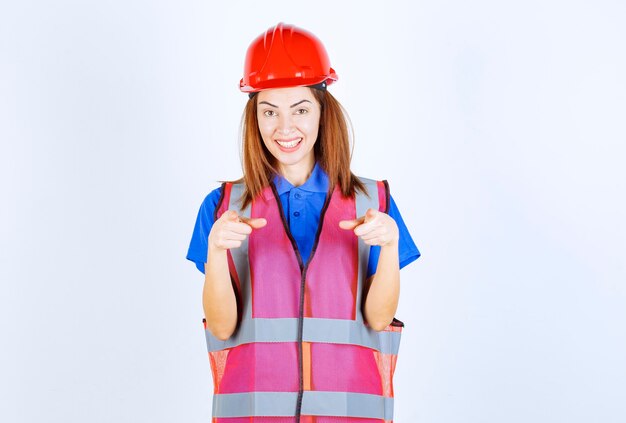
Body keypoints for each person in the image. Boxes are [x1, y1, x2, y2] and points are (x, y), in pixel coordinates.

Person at [186, 22, 420, 423]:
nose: (285, 127)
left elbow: (379, 320)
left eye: (300, 109)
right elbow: (222, 328)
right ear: (254, 117)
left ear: (322, 111)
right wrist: (216, 247)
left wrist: (391, 245)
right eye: (269, 111)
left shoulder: (372, 203)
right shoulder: (223, 207)